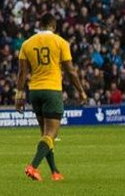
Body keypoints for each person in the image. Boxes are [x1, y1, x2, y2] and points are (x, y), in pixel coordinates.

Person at [16, 11, 87, 183]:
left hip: (35, 92)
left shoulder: (27, 44)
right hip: (52, 90)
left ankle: (55, 172)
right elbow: (70, 71)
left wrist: (19, 94)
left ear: (40, 25)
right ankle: (32, 167)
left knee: (45, 135)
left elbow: (22, 73)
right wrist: (81, 90)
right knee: (51, 134)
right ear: (54, 27)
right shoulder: (60, 42)